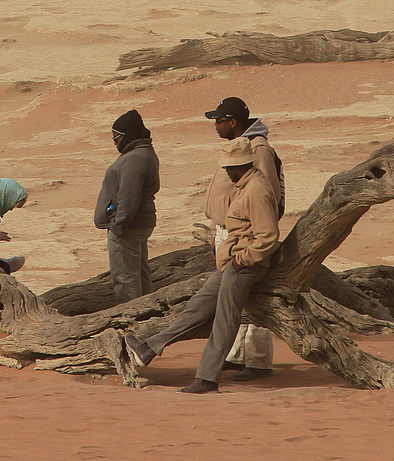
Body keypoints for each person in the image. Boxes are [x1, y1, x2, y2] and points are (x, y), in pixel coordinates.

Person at [124, 137, 280, 393]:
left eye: (231, 167)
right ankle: (149, 348)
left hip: (244, 265)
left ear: (243, 164)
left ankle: (207, 378)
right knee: (197, 307)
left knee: (225, 319)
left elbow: (268, 236)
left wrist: (241, 261)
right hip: (232, 261)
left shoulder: (257, 189)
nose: (228, 172)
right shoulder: (245, 185)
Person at [205, 95, 282, 379]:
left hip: (247, 234)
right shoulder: (238, 146)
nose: (215, 125)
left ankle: (259, 361)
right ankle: (238, 355)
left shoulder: (257, 149)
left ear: (233, 122)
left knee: (253, 295)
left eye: (219, 120)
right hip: (228, 229)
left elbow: (265, 194)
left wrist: (247, 239)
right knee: (233, 297)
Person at [94, 109, 160, 303]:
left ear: (127, 136)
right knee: (140, 273)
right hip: (139, 223)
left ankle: (132, 323)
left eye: (116, 138)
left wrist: (118, 224)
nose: (115, 143)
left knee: (125, 279)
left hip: (128, 228)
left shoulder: (133, 159)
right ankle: (147, 312)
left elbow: (128, 197)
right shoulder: (143, 153)